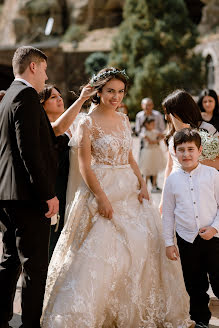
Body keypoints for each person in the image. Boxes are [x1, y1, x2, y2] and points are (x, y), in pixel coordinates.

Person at [41, 67, 193, 328]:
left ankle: (140, 310)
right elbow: (86, 166)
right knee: (105, 251)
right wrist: (101, 197)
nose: (116, 97)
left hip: (131, 190)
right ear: (98, 92)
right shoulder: (86, 122)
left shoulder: (124, 120)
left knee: (144, 247)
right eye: (110, 91)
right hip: (102, 188)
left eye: (120, 92)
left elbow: (130, 156)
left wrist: (143, 183)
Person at [0, 46, 59, 328]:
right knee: (35, 265)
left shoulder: (7, 96)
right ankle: (30, 325)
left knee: (11, 259)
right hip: (27, 197)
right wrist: (47, 193)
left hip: (8, 195)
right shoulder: (25, 96)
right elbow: (29, 151)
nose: (46, 76)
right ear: (33, 67)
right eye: (45, 69)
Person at [162, 128, 219, 328]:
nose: (186, 154)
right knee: (194, 285)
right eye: (181, 150)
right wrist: (169, 243)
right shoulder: (172, 180)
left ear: (200, 151)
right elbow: (168, 214)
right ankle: (201, 320)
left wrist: (215, 228)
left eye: (191, 149)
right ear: (175, 152)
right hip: (186, 240)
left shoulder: (212, 175)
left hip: (213, 239)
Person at [39, 84, 93, 259]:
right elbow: (57, 129)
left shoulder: (75, 123)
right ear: (42, 104)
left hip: (74, 185)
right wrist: (81, 99)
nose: (59, 99)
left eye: (60, 95)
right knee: (52, 234)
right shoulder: (43, 126)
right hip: (55, 188)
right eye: (53, 97)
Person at [159, 89, 219, 212]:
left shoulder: (207, 130)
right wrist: (164, 197)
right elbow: (169, 166)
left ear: (180, 112)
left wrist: (192, 163)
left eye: (168, 113)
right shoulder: (173, 134)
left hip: (202, 190)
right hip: (177, 189)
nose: (166, 117)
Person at [139, 116, 165, 192]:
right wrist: (157, 141)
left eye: (154, 124)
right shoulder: (144, 133)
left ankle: (154, 186)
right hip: (148, 152)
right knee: (147, 170)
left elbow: (162, 136)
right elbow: (150, 141)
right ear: (147, 124)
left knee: (155, 169)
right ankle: (145, 186)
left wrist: (159, 139)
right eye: (152, 124)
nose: (153, 125)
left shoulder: (155, 132)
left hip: (155, 152)